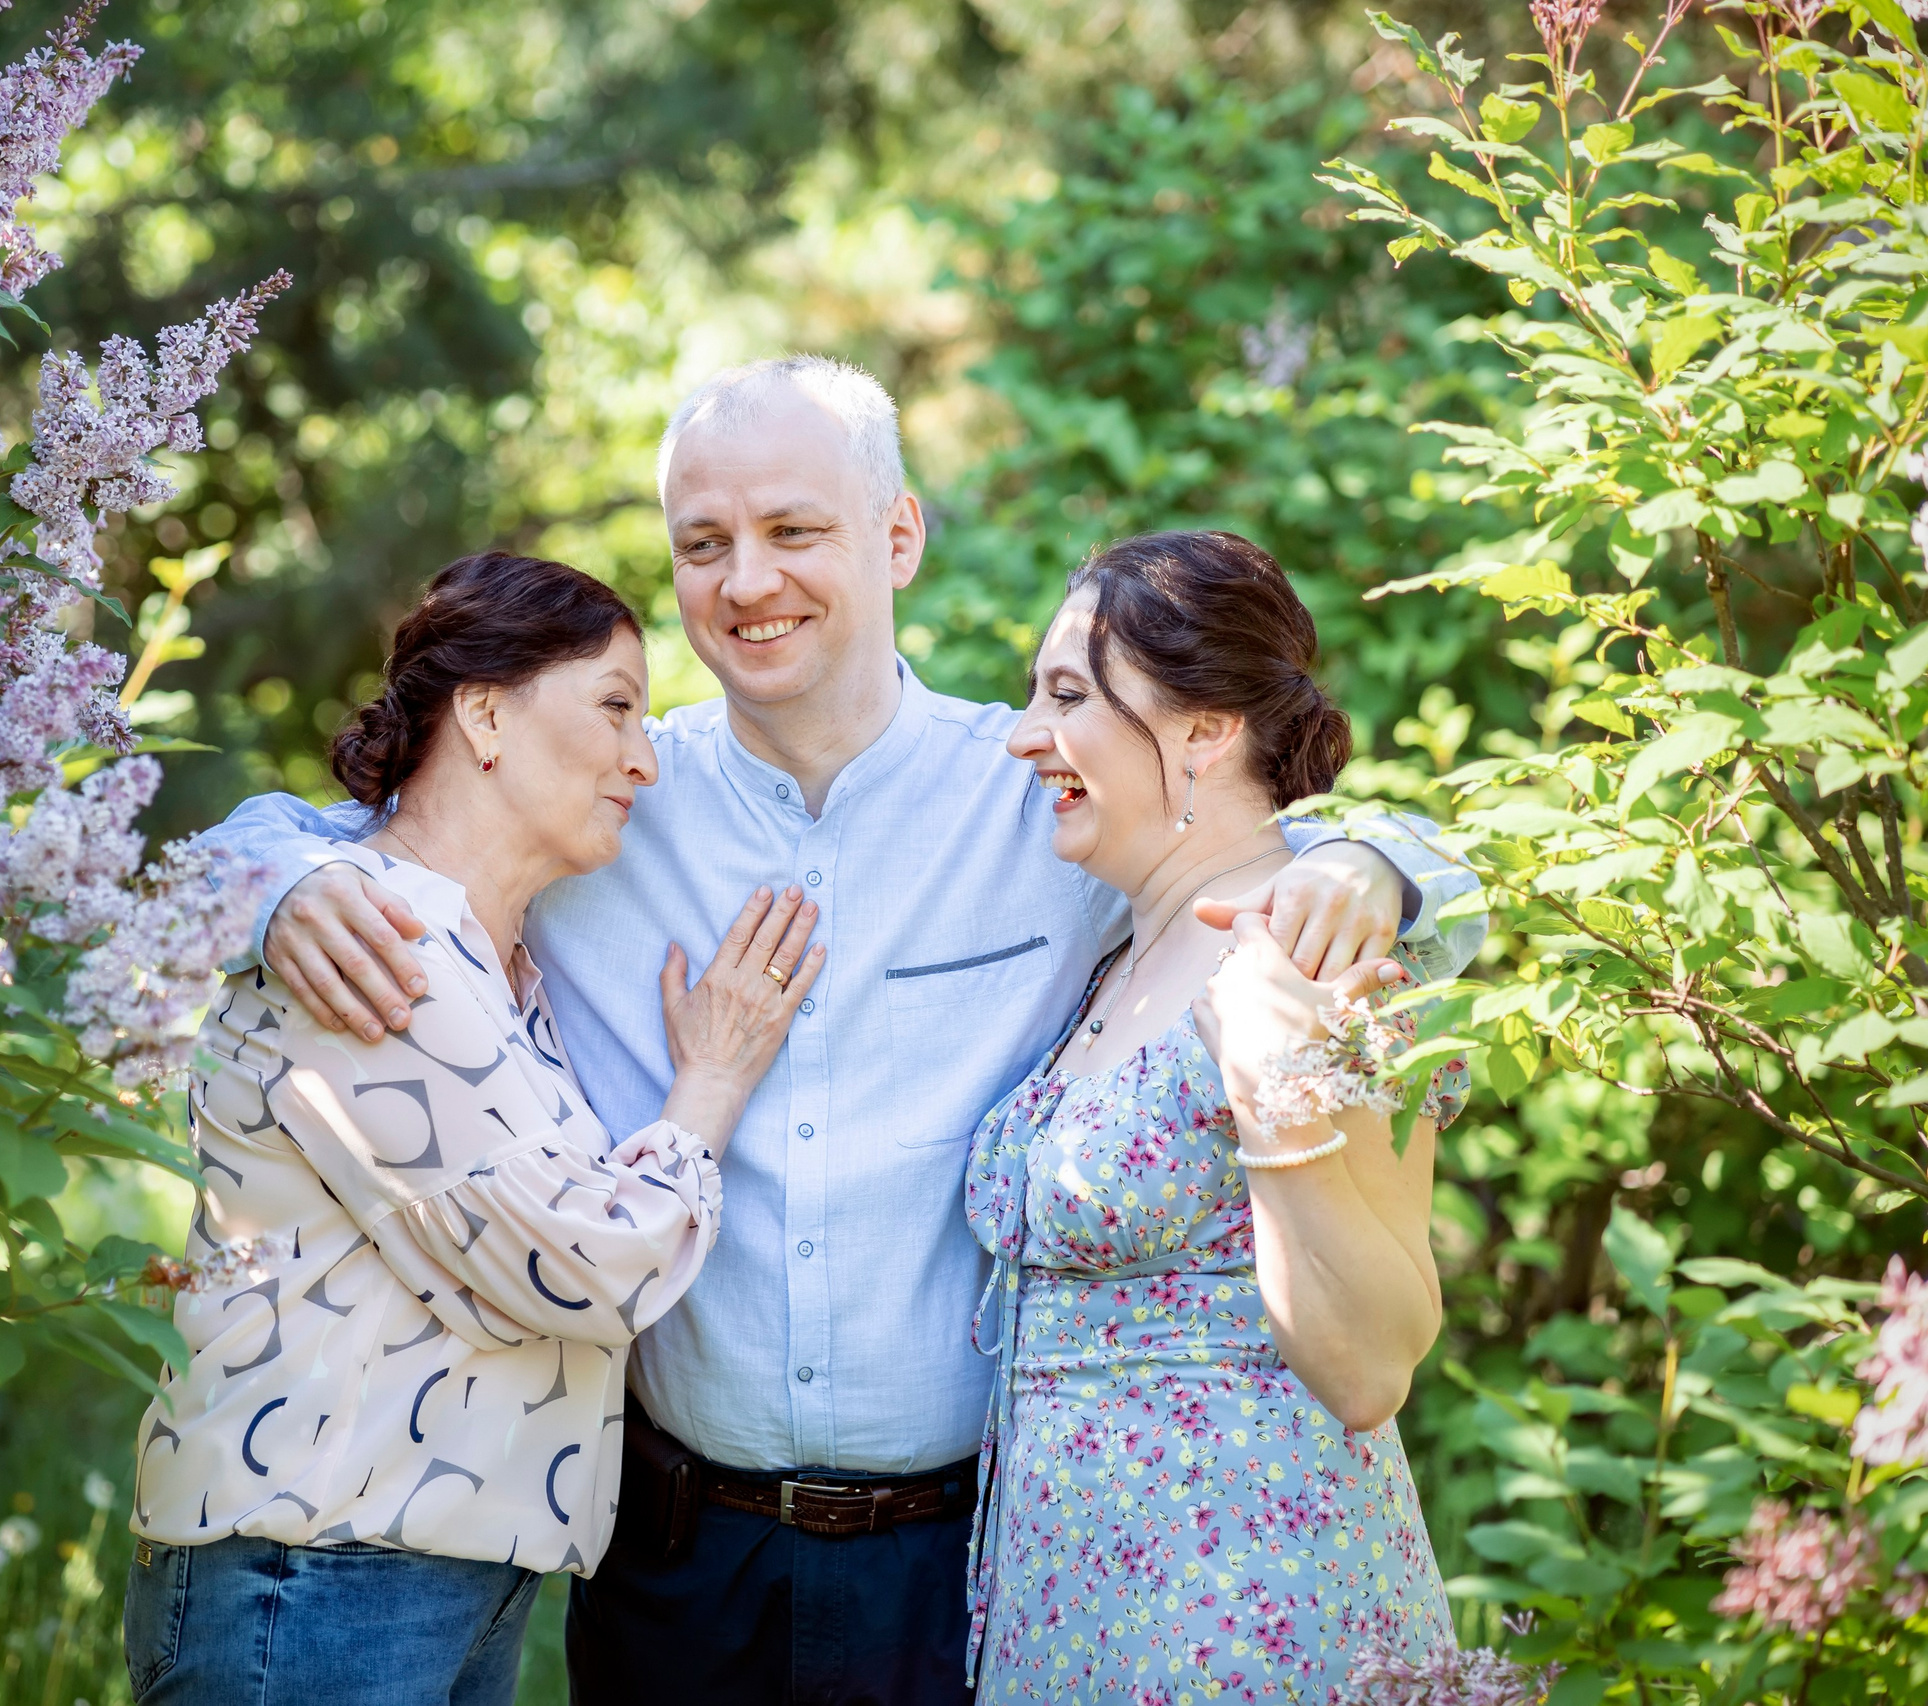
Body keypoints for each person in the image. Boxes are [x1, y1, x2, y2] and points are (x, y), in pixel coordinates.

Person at [210, 357, 1483, 1704]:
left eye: (793, 530)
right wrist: (277, 881)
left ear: (899, 535)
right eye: (704, 544)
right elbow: (336, 837)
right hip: (673, 1557)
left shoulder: (1043, 801)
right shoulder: (601, 796)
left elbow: (1252, 830)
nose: (746, 580)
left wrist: (1387, 866)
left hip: (962, 1562)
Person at [124, 552, 825, 1706]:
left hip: (429, 1575)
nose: (644, 757)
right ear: (487, 715)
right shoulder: (374, 940)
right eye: (613, 705)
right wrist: (711, 1082)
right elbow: (583, 1268)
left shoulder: (491, 960)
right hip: (315, 1580)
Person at [965, 530, 1462, 1701]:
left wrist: (1262, 1082)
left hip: (1242, 1611)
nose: (1021, 732)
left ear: (1203, 728)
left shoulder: (1319, 953)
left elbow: (1373, 1363)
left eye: (1068, 694)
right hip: (1064, 1610)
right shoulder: (1105, 961)